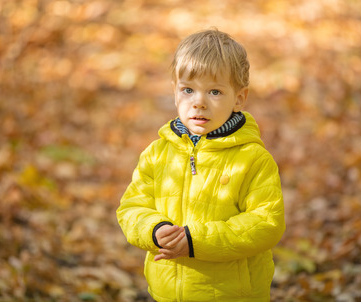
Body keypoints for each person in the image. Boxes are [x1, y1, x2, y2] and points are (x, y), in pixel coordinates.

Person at [116, 28, 285, 302]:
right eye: (188, 90)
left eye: (215, 92)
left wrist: (195, 240)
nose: (199, 103)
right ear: (175, 92)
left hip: (234, 294)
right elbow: (131, 207)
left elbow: (266, 223)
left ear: (239, 98)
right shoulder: (158, 153)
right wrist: (155, 230)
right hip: (166, 292)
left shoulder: (253, 160)